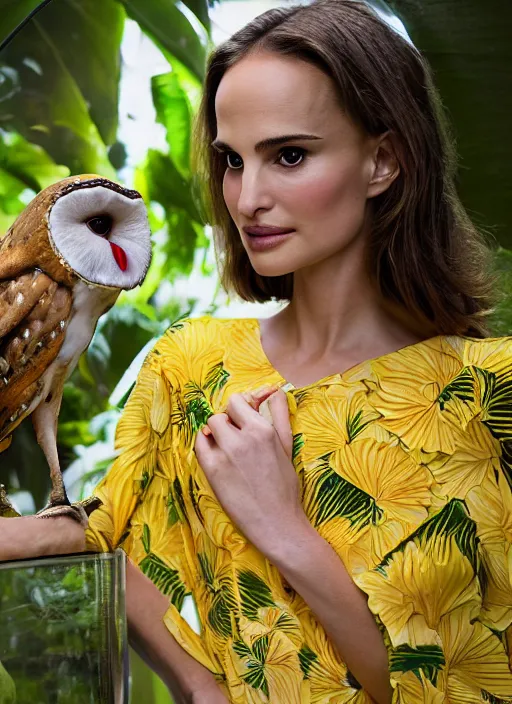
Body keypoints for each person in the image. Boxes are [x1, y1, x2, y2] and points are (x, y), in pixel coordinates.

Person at [3, 0, 512, 701]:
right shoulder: (191, 364)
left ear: (384, 161)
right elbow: (101, 538)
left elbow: (461, 688)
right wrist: (200, 686)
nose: (247, 197)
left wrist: (284, 529)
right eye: (232, 161)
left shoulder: (488, 393)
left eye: (290, 155)